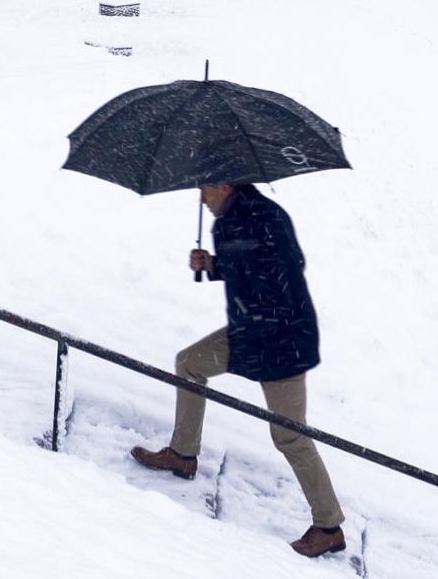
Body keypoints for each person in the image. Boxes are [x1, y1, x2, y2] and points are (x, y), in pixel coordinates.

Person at [129, 182, 345, 558]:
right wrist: (213, 265)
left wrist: (231, 266)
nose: (202, 198)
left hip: (282, 343)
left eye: (205, 189)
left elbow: (284, 269)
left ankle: (328, 527)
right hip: (250, 335)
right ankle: (183, 455)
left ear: (225, 185)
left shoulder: (266, 219)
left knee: (290, 436)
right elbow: (248, 266)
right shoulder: (234, 219)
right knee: (190, 364)